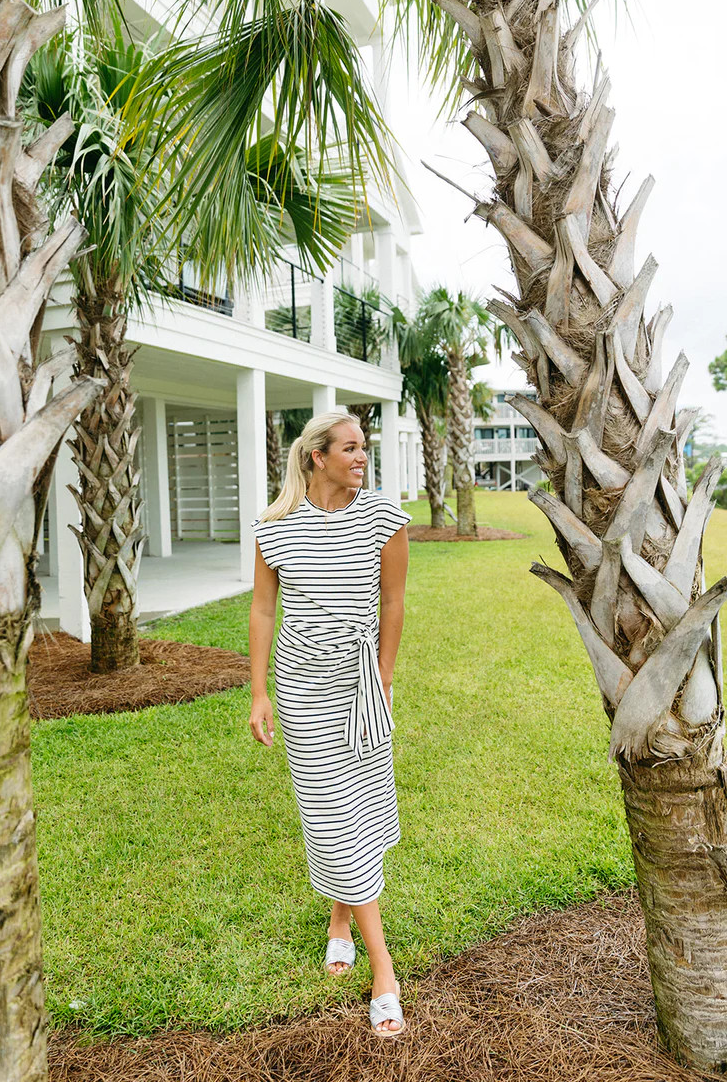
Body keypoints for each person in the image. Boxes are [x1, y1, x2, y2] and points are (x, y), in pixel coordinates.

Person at [248, 410, 411, 1038]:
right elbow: (265, 610)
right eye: (350, 448)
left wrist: (386, 676)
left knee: (362, 809)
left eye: (364, 448)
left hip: (362, 682)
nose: (361, 458)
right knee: (331, 812)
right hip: (301, 688)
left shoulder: (385, 518)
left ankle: (340, 922)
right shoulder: (275, 528)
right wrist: (259, 689)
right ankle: (385, 969)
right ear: (317, 456)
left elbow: (393, 600)